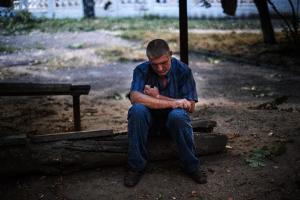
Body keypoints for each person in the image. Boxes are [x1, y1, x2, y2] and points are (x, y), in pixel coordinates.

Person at [124, 39, 207, 187]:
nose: (160, 68)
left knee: (179, 115)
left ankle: (191, 166)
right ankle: (135, 167)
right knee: (137, 110)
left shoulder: (183, 70)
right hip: (148, 125)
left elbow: (190, 106)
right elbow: (135, 97)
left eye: (164, 62)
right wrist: (173, 102)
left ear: (170, 55)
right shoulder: (141, 70)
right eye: (154, 64)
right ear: (148, 59)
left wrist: (157, 97)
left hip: (173, 125)